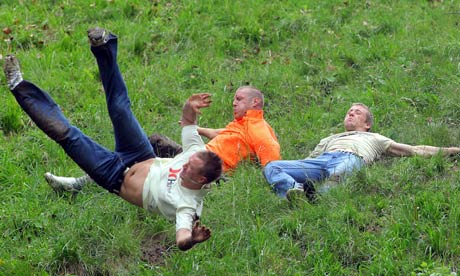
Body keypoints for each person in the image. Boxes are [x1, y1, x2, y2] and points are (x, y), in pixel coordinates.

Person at [3, 27, 223, 251]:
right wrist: (190, 106)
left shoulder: (188, 205)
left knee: (68, 136)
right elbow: (188, 122)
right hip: (140, 154)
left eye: (189, 169)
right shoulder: (197, 154)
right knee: (119, 108)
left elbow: (181, 238)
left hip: (113, 176)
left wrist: (192, 240)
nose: (185, 164)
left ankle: (18, 86)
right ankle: (103, 46)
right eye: (188, 161)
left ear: (201, 180)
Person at [45, 85, 281, 191]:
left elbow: (273, 161)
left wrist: (280, 179)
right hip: (197, 156)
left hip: (205, 169)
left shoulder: (258, 128)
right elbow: (224, 134)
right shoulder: (242, 125)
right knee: (146, 152)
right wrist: (196, 129)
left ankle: (80, 184)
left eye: (239, 99)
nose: (234, 102)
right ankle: (87, 181)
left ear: (255, 103)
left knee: (152, 146)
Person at [263, 103, 460, 200]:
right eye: (349, 111)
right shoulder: (329, 139)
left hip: (351, 158)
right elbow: (308, 160)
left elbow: (415, 150)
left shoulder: (375, 138)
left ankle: (316, 200)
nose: (351, 113)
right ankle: (294, 191)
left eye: (357, 112)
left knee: (340, 173)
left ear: (367, 124)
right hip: (321, 161)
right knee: (272, 166)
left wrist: (451, 150)